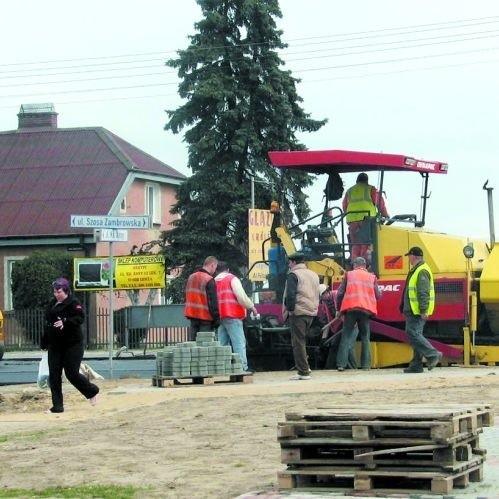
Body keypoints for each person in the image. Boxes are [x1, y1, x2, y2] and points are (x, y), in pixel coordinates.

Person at [40, 278, 99, 413]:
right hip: (55, 345)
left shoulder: (73, 303)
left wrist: (65, 322)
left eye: (59, 291)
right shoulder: (52, 304)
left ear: (66, 291)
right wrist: (44, 341)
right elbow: (48, 324)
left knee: (71, 373)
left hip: (72, 344)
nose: (56, 294)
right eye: (54, 292)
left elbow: (80, 318)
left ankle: (92, 391)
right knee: (54, 376)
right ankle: (57, 406)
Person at [335, 256, 381, 371]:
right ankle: (366, 365)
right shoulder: (372, 277)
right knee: (365, 337)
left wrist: (338, 310)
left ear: (355, 265)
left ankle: (341, 364)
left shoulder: (349, 275)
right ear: (365, 265)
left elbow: (339, 293)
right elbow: (378, 295)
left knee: (346, 336)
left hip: (351, 310)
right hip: (365, 311)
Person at [400, 246, 442, 373]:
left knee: (412, 333)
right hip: (413, 309)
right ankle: (416, 365)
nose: (409, 259)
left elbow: (423, 292)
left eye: (409, 256)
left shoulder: (422, 270)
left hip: (416, 309)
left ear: (414, 256)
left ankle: (433, 354)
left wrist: (423, 310)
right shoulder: (417, 269)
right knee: (415, 335)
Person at [214, 261, 258, 373]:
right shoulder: (232, 279)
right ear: (227, 269)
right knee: (238, 342)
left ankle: (222, 368)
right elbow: (241, 296)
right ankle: (242, 367)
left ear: (217, 270)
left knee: (222, 344)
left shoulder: (214, 281)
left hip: (219, 316)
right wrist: (251, 306)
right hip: (232, 315)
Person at [283, 252, 320, 380]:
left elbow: (291, 294)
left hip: (298, 312)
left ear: (293, 262)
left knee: (298, 342)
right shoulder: (313, 274)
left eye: (289, 262)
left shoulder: (294, 275)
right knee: (303, 341)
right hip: (311, 311)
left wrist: (290, 310)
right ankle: (306, 367)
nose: (288, 265)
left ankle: (303, 372)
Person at [342, 172, 389, 261]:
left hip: (352, 222)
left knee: (355, 244)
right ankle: (364, 265)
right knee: (365, 244)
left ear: (357, 181)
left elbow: (344, 206)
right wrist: (385, 215)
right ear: (366, 181)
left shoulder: (349, 191)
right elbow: (380, 203)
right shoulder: (371, 189)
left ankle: (354, 263)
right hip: (367, 221)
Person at [184, 256, 220, 340]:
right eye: (215, 267)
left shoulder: (191, 277)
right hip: (205, 318)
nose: (215, 270)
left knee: (192, 346)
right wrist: (216, 319)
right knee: (204, 346)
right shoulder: (209, 279)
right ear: (212, 265)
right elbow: (213, 301)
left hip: (192, 316)